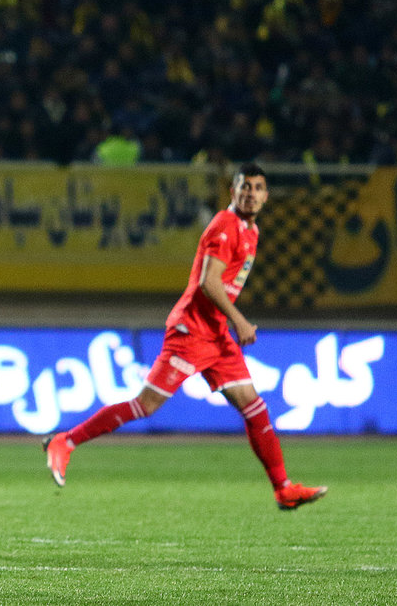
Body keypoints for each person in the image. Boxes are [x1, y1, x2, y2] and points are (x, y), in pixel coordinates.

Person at [43, 163, 328, 511]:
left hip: (216, 335)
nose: (251, 193)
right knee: (145, 405)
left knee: (255, 409)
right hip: (191, 331)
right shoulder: (225, 226)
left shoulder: (251, 231)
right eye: (245, 187)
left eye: (257, 188)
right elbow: (210, 282)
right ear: (232, 191)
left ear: (266, 196)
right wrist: (240, 321)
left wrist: (228, 324)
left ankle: (283, 488)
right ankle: (65, 441)